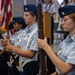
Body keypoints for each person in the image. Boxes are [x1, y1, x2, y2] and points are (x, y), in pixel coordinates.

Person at [37, 5, 75, 75]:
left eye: (65, 20)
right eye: (61, 20)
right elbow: (59, 71)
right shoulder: (64, 42)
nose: (62, 23)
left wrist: (46, 47)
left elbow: (64, 69)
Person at [3, 5, 39, 75]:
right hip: (22, 63)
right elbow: (20, 47)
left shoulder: (37, 32)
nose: (24, 18)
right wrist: (8, 44)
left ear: (34, 17)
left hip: (30, 65)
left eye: (26, 15)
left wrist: (12, 49)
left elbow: (31, 54)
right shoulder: (25, 31)